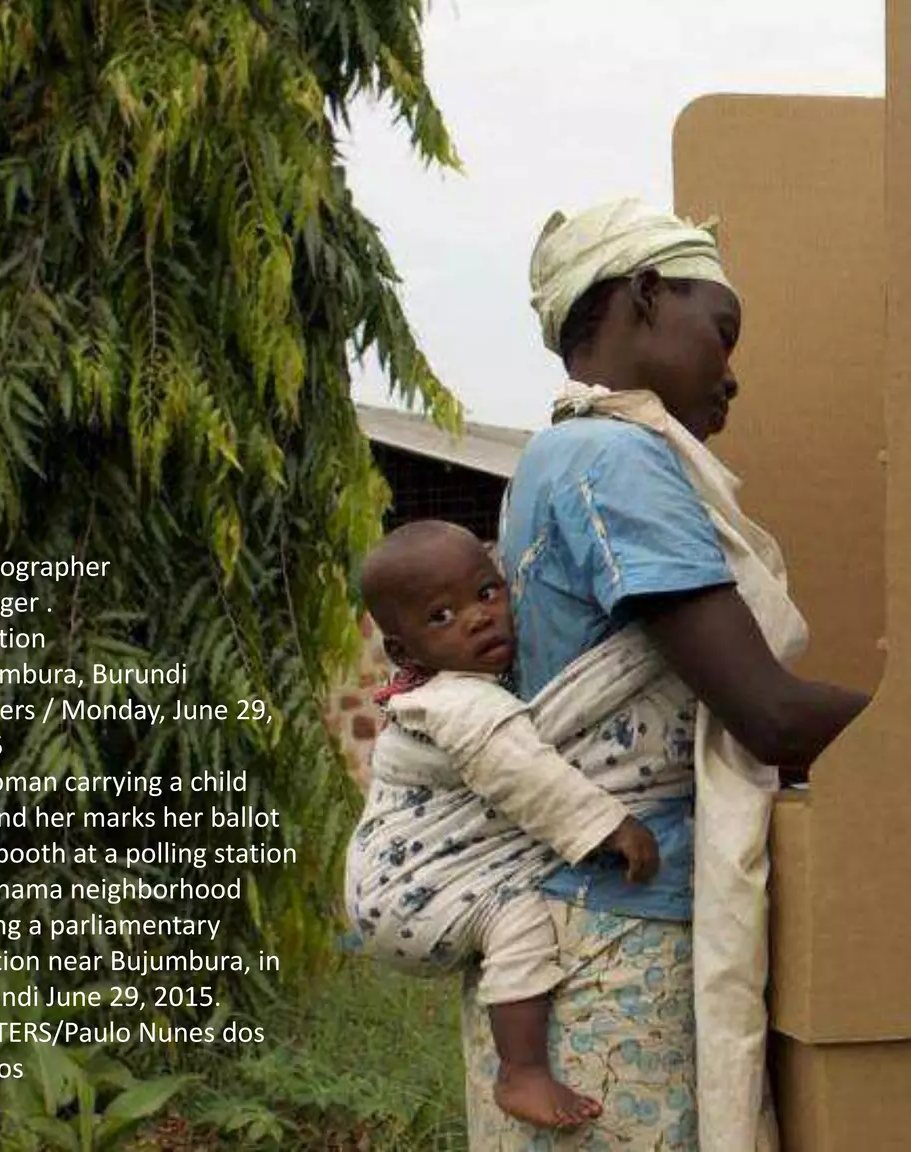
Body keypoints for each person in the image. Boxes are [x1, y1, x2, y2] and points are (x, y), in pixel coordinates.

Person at [457, 198, 870, 1150]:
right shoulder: (614, 460)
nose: (732, 375)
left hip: (561, 925)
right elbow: (765, 710)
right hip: (616, 934)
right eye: (721, 333)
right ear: (646, 296)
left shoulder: (549, 461)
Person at [344, 520, 664, 1130]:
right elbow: (526, 776)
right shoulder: (461, 703)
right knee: (519, 921)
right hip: (409, 898)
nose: (477, 618)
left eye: (488, 593)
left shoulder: (449, 693)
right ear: (405, 653)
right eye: (441, 616)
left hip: (390, 888)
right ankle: (521, 1071)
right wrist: (609, 826)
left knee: (512, 914)